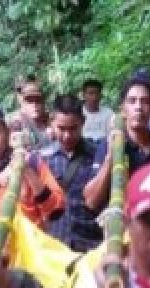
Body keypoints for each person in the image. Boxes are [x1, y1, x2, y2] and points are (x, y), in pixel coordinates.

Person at [83, 70, 150, 212]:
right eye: (132, 101)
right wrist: (110, 159)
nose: (138, 107)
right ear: (123, 108)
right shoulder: (109, 146)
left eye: (145, 101)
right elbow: (91, 202)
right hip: (121, 228)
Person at [0, 104, 64, 231]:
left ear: (7, 133)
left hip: (31, 248)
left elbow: (56, 210)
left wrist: (28, 171)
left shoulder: (32, 163)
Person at [42, 94, 103, 252]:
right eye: (61, 129)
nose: (67, 135)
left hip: (91, 245)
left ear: (83, 122)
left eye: (73, 128)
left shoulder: (98, 154)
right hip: (53, 245)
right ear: (52, 122)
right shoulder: (42, 159)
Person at [7, 75, 53, 149]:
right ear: (22, 102)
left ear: (43, 102)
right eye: (30, 101)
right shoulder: (14, 123)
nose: (34, 105)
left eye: (38, 101)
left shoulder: (52, 120)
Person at [80, 78, 114, 143]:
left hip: (103, 146)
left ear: (101, 95)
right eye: (91, 93)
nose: (94, 97)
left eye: (97, 93)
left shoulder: (108, 113)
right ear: (84, 95)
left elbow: (112, 135)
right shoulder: (78, 112)